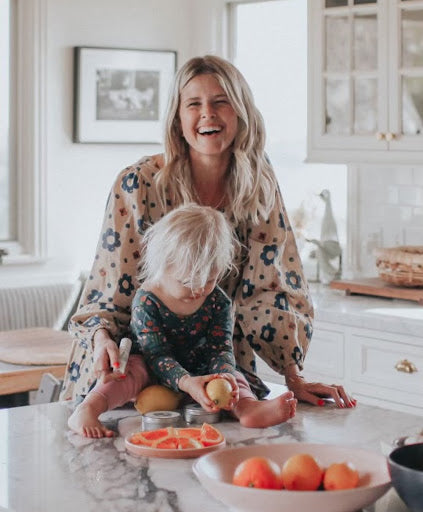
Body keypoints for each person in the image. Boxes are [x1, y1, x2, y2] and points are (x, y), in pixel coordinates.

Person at [61, 54, 356, 412]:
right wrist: (101, 341)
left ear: (241, 113)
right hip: (131, 367)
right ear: (178, 120)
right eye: (194, 104)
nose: (208, 114)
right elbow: (111, 291)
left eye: (221, 102)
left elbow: (271, 286)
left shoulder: (258, 187)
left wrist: (294, 377)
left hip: (212, 364)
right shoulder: (138, 184)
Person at [68, 204, 297, 437]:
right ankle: (87, 409)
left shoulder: (219, 301)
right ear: (162, 265)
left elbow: (220, 348)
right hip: (152, 372)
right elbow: (157, 355)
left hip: (199, 370)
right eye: (188, 282)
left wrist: (224, 376)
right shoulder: (147, 300)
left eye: (209, 280)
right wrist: (187, 383)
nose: (199, 290)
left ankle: (248, 408)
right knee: (128, 372)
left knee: (235, 376)